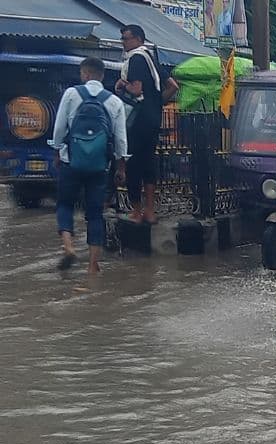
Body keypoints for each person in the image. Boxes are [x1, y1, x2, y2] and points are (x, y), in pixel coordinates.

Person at [49, 57, 128, 273]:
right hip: (99, 166)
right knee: (94, 213)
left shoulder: (72, 94)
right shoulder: (114, 101)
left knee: (65, 204)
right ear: (102, 76)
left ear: (84, 74)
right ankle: (93, 265)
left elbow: (59, 128)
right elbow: (121, 139)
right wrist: (121, 167)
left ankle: (68, 247)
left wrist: (58, 151)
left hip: (70, 161)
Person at [115, 24, 177, 225]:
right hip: (152, 119)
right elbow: (173, 86)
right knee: (149, 163)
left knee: (133, 163)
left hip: (137, 120)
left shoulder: (136, 58)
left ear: (138, 39)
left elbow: (135, 90)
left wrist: (121, 84)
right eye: (123, 38)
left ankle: (136, 211)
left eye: (126, 38)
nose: (123, 42)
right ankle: (151, 211)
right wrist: (157, 104)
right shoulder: (152, 59)